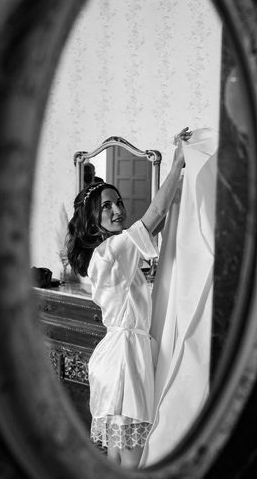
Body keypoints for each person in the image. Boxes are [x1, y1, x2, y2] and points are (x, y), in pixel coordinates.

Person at [66, 128, 191, 468]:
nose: (117, 209)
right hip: (124, 359)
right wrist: (179, 161)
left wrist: (181, 188)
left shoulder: (105, 253)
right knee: (133, 462)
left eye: (118, 202)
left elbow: (160, 221)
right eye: (106, 206)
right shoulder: (113, 249)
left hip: (116, 354)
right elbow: (155, 214)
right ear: (93, 217)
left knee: (119, 456)